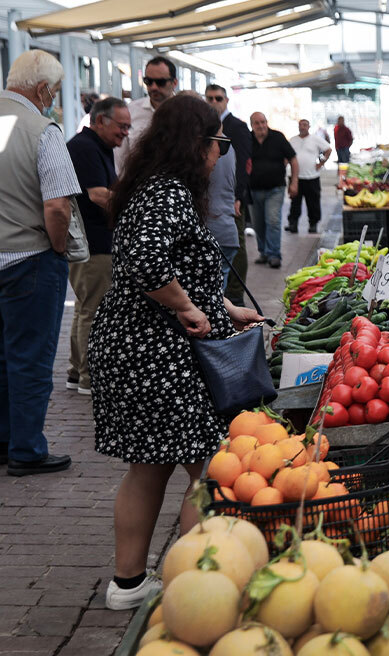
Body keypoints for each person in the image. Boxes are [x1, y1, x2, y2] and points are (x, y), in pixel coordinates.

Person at [90, 94, 263, 610]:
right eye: (220, 143)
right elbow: (145, 262)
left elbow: (170, 260)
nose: (221, 154)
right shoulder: (167, 193)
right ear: (198, 144)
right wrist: (187, 307)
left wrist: (224, 307)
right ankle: (198, 587)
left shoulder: (153, 188)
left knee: (147, 467)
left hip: (133, 349)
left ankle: (128, 584)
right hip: (156, 355)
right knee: (209, 469)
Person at [0, 50, 78, 477]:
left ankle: (3, 439)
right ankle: (27, 449)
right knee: (30, 357)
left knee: (1, 356)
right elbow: (57, 206)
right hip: (30, 258)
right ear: (44, 89)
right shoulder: (42, 129)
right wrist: (59, 248)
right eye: (55, 90)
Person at [65, 97, 130, 396]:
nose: (125, 133)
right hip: (92, 244)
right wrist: (134, 213)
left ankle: (76, 372)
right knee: (93, 311)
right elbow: (98, 195)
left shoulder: (98, 147)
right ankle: (89, 377)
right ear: (101, 120)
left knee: (84, 308)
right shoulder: (85, 148)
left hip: (95, 242)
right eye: (121, 126)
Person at [205, 84, 251, 305]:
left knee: (236, 247)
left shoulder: (236, 129)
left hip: (227, 208)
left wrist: (238, 196)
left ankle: (235, 294)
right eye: (209, 98)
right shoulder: (207, 135)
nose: (214, 102)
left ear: (226, 100)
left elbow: (243, 166)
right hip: (218, 218)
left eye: (218, 98)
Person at [248, 112, 298, 268]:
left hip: (275, 188)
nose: (261, 125)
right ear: (252, 125)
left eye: (263, 121)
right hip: (253, 190)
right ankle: (264, 252)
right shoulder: (247, 139)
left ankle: (274, 254)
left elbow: (293, 159)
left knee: (273, 220)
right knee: (258, 225)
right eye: (257, 123)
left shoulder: (278, 137)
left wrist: (294, 182)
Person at [113, 56, 177, 173]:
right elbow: (120, 157)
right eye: (148, 81)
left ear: (174, 83)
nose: (153, 87)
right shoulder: (131, 111)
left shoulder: (186, 113)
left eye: (160, 82)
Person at [287, 118, 332, 234]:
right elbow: (287, 156)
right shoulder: (293, 140)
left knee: (313, 203)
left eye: (305, 125)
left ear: (309, 126)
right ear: (298, 126)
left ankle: (313, 224)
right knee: (295, 202)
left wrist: (321, 163)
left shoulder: (315, 139)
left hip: (312, 177)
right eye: (301, 125)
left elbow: (328, 149)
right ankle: (293, 223)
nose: (302, 127)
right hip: (296, 177)